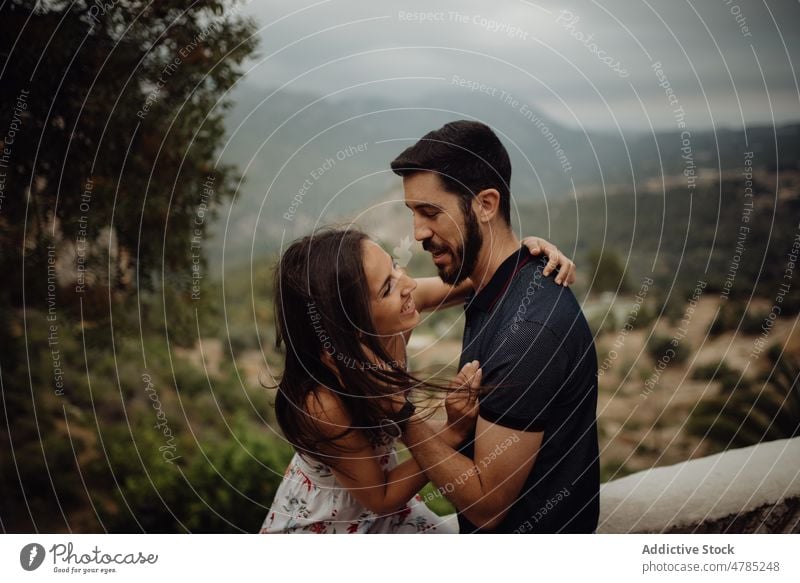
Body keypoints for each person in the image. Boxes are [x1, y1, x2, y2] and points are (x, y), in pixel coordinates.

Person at [260, 226, 576, 533]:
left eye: (395, 267)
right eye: (387, 287)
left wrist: (524, 255)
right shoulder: (323, 404)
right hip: (333, 526)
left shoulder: (396, 314)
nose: (409, 283)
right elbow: (380, 497)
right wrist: (452, 432)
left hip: (389, 512)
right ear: (349, 325)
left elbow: (475, 279)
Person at [390, 119, 600, 533]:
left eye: (430, 212)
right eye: (413, 213)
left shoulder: (529, 330)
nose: (418, 233)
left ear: (486, 204)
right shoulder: (494, 282)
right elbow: (403, 297)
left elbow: (487, 506)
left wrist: (399, 413)